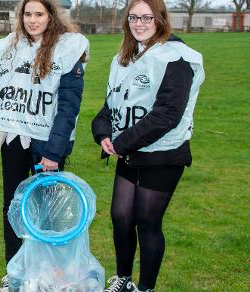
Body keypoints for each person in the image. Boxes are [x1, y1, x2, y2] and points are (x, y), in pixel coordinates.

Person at [92, 0, 204, 291]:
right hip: (130, 153)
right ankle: (124, 279)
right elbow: (110, 106)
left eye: (146, 18)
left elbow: (167, 114)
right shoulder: (124, 57)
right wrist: (103, 132)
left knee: (147, 221)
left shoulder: (177, 58)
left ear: (160, 19)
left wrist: (122, 143)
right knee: (121, 217)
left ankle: (146, 287)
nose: (139, 24)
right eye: (133, 18)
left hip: (163, 155)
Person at [0, 0, 88, 288]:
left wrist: (54, 150)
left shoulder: (68, 48)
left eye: (39, 14)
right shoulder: (10, 47)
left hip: (45, 143)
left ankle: (47, 273)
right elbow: (3, 93)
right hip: (13, 137)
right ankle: (14, 270)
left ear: (51, 16)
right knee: (12, 206)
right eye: (27, 14)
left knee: (46, 211)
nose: (32, 20)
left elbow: (69, 107)